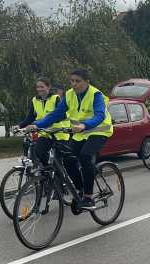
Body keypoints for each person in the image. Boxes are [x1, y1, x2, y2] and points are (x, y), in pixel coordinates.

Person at [30, 68, 113, 210]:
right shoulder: (69, 95)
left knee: (85, 156)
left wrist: (84, 125)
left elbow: (100, 116)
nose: (74, 84)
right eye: (72, 81)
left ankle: (88, 196)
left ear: (87, 82)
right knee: (68, 159)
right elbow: (55, 115)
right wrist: (36, 125)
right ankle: (80, 191)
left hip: (99, 131)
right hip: (81, 133)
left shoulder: (96, 95)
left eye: (78, 81)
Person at [16, 77, 70, 165]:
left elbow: (61, 115)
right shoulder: (35, 100)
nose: (39, 89)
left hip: (59, 134)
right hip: (45, 133)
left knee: (59, 160)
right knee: (39, 151)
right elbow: (30, 117)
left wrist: (43, 122)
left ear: (48, 87)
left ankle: (59, 176)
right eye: (38, 87)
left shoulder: (56, 98)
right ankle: (47, 171)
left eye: (42, 87)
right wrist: (19, 126)